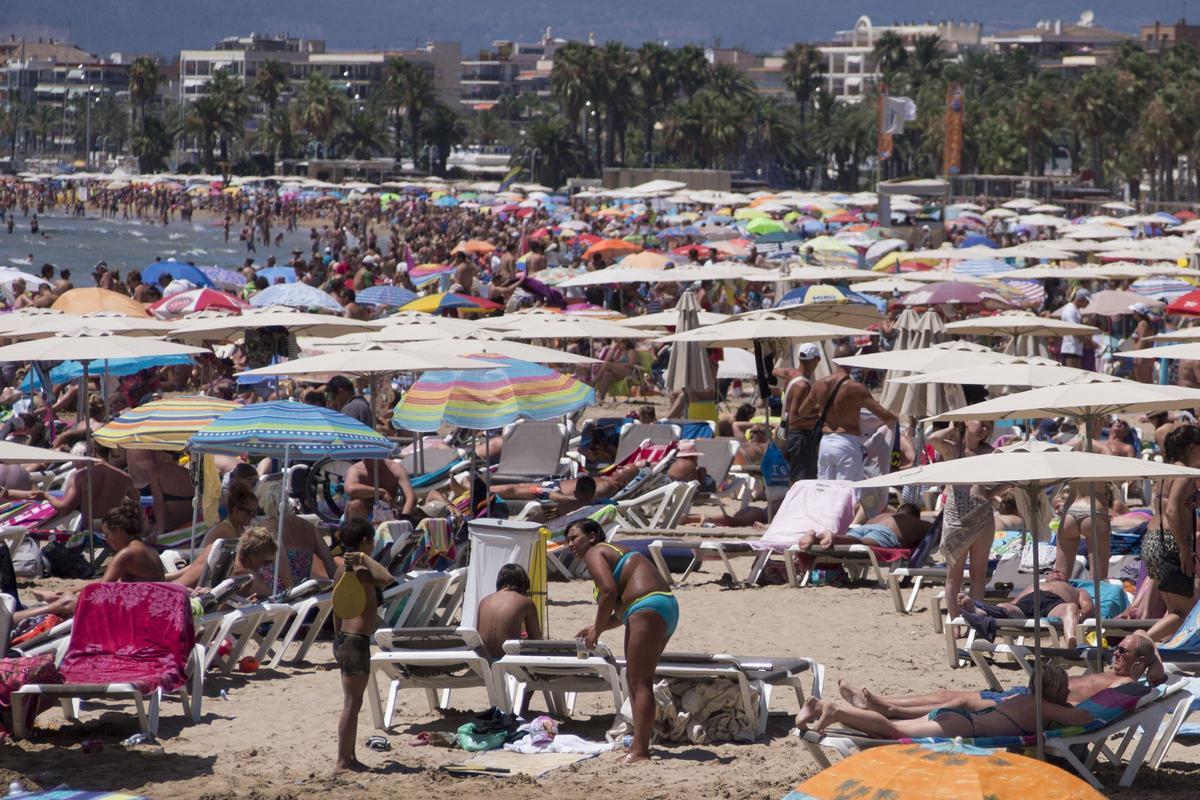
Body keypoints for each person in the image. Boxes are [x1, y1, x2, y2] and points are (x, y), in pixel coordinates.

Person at [837, 631, 1163, 719]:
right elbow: (1141, 641)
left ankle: (888, 709)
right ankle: (884, 702)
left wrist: (1153, 664)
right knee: (947, 692)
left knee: (959, 701)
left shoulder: (1126, 685)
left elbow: (1158, 675)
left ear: (1139, 663)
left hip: (1035, 708)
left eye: (1124, 652)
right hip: (1026, 695)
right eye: (1117, 648)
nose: (1116, 652)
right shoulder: (1118, 674)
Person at [567, 518, 678, 764]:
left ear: (593, 535)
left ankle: (640, 751)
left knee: (640, 682)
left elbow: (607, 591)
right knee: (637, 679)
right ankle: (639, 745)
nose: (570, 544)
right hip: (662, 606)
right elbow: (619, 612)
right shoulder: (612, 554)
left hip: (646, 605)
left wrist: (597, 628)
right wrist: (598, 627)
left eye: (574, 537)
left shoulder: (595, 552)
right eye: (568, 541)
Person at [796, 662, 1091, 739]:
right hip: (959, 728)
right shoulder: (1045, 705)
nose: (1069, 691)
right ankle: (835, 711)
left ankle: (821, 707)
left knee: (886, 728)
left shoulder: (1025, 697)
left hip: (955, 718)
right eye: (1066, 686)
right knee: (894, 731)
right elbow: (1084, 719)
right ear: (1054, 690)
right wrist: (1067, 707)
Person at [332, 518, 395, 772]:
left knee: (353, 702)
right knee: (352, 704)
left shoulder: (341, 570)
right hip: (356, 643)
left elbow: (337, 607)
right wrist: (364, 558)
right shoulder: (359, 570)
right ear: (366, 541)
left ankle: (349, 757)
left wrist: (337, 638)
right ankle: (343, 761)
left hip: (346, 640)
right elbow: (387, 577)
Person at [797, 343, 897, 483]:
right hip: (847, 443)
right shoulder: (856, 389)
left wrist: (821, 411)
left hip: (825, 443)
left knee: (825, 493)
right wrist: (894, 416)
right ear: (852, 360)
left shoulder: (819, 384)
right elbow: (885, 417)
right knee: (846, 495)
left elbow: (802, 411)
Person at [1143, 424, 1200, 641]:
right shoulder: (1184, 472)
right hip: (1170, 542)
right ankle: (1139, 644)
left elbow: (1167, 502)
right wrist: (1185, 550)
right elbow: (1173, 510)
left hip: (1152, 540)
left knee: (1173, 608)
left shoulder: (1167, 470)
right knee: (1182, 612)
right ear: (1193, 446)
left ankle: (1165, 648)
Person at [2, 442, 139, 525]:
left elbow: (64, 509)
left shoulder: (82, 476)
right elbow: (136, 499)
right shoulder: (124, 476)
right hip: (116, 525)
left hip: (92, 528)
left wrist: (46, 496)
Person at [958, 569, 1093, 647]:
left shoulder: (1075, 589)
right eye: (1051, 571)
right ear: (1046, 578)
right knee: (1007, 608)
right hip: (1028, 602)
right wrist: (1010, 605)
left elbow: (1087, 605)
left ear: (1067, 580)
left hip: (1055, 603)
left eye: (1060, 572)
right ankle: (979, 611)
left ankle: (1071, 639)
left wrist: (1083, 612)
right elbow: (1015, 602)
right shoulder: (1035, 585)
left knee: (1071, 607)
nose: (1055, 571)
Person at [256, 481, 337, 589]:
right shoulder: (308, 526)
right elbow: (328, 559)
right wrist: (337, 586)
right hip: (303, 587)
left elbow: (281, 557)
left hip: (280, 591)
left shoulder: (268, 526)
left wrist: (292, 589)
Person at [795, 503, 931, 552]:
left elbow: (860, 505)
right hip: (886, 532)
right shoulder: (912, 521)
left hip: (865, 527)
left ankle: (816, 537)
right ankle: (834, 537)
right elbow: (935, 529)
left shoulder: (884, 515)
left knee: (850, 538)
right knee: (862, 543)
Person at [476, 563, 543, 659]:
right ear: (523, 583)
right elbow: (536, 640)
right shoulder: (526, 602)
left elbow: (481, 636)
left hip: (484, 662)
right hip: (509, 662)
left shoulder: (484, 601)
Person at [98, 498, 165, 582]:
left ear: (118, 531)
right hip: (157, 592)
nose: (106, 540)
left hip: (146, 594)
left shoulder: (126, 553)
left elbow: (103, 586)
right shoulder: (145, 547)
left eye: (107, 535)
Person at [780, 343, 821, 481]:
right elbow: (794, 419)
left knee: (795, 478)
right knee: (801, 481)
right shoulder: (803, 385)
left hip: (789, 435)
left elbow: (774, 371)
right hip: (799, 438)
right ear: (815, 360)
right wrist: (818, 417)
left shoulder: (791, 375)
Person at [344, 458, 415, 521]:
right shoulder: (356, 469)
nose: (365, 460)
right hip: (364, 516)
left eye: (369, 456)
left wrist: (404, 519)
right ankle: (359, 533)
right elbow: (350, 489)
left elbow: (411, 497)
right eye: (364, 455)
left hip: (388, 515)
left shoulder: (395, 469)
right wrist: (381, 492)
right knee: (355, 503)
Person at [1060, 288, 1090, 369]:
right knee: (1072, 374)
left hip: (1075, 348)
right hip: (1070, 348)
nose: (1088, 303)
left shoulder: (1075, 310)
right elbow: (1073, 330)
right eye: (1087, 301)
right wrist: (1089, 342)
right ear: (1080, 299)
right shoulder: (1070, 310)